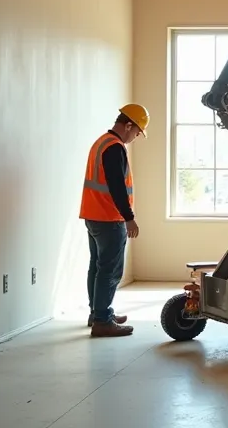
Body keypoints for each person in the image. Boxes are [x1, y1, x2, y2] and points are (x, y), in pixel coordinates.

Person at [80, 103, 148, 338]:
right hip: (109, 218)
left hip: (93, 216)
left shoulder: (101, 142)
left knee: (97, 267)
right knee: (109, 271)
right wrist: (129, 218)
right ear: (128, 125)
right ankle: (102, 320)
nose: (136, 137)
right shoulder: (114, 147)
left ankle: (98, 313)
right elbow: (117, 186)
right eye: (137, 132)